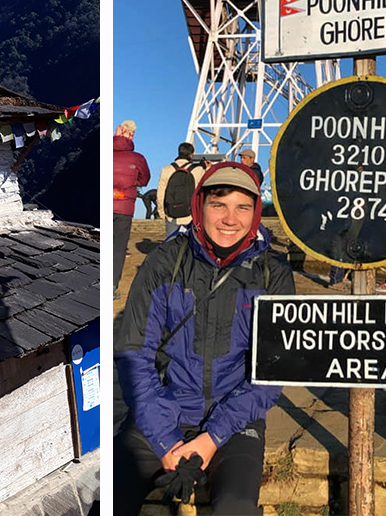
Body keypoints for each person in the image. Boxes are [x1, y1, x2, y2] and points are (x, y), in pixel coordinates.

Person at [114, 163, 295, 515]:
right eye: (219, 205)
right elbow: (134, 354)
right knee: (112, 495)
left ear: (256, 212)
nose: (230, 218)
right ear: (200, 207)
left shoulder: (272, 273)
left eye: (243, 207)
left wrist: (211, 438)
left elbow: (270, 374)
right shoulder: (165, 262)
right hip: (163, 411)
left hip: (235, 423)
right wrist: (167, 441)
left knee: (236, 509)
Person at [113, 120, 150, 298]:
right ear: (132, 136)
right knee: (118, 248)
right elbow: (145, 180)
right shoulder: (138, 158)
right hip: (124, 208)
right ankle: (112, 286)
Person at [157, 142, 206, 237]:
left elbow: (160, 193)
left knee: (170, 246)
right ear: (191, 154)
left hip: (171, 215)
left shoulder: (166, 169)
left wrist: (162, 212)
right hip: (190, 215)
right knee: (190, 247)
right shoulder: (198, 170)